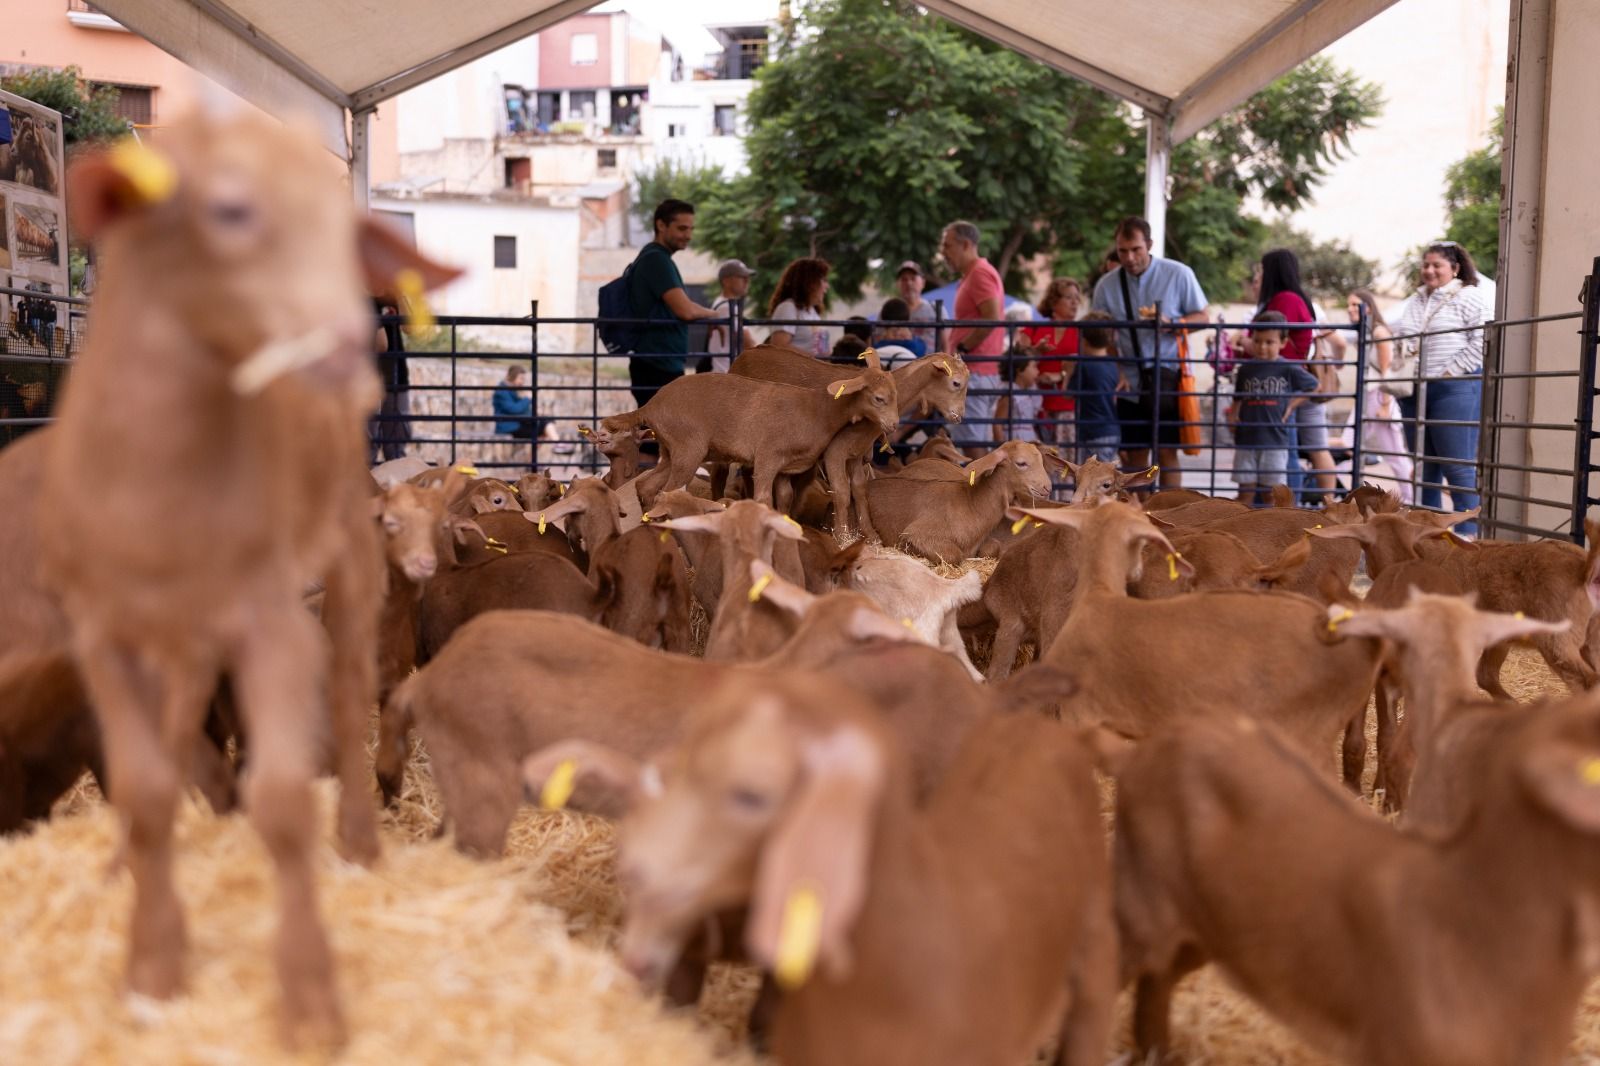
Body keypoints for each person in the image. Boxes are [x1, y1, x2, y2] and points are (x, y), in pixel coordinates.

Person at [1090, 217, 1208, 487]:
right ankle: (1139, 513)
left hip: (1167, 375)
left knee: (1167, 451)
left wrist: (1174, 325)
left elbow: (1203, 316)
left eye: (1136, 250)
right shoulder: (1107, 285)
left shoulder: (1179, 274)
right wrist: (1116, 368)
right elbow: (1100, 331)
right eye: (1123, 251)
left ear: (1149, 245)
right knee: (1135, 454)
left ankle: (1170, 515)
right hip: (1129, 379)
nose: (1130, 258)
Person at [1391, 241, 1486, 533]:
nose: (1429, 271)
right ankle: (1428, 531)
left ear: (1455, 268)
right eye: (1426, 265)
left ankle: (1468, 534)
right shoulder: (1416, 300)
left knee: (1456, 464)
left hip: (1453, 388)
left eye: (1437, 265)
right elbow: (1403, 336)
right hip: (1415, 389)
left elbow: (1484, 339)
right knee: (1424, 465)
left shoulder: (1470, 297)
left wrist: (1450, 370)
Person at [1258, 248, 1336, 502]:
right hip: (1298, 379)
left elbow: (1273, 338)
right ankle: (1322, 505)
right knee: (1310, 447)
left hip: (1287, 382)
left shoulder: (1285, 300)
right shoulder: (1300, 298)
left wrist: (1246, 342)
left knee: (1288, 450)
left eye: (1263, 269)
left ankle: (1290, 508)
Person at [627, 198, 719, 406]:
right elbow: (685, 310)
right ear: (661, 225)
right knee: (661, 436)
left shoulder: (656, 258)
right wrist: (717, 315)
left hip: (658, 362)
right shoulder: (656, 260)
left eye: (690, 229)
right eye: (682, 228)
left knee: (658, 435)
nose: (688, 235)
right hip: (657, 364)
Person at [1228, 311, 1320, 507]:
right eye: (1257, 341)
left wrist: (1291, 405)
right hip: (1246, 440)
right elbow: (1238, 397)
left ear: (1283, 343)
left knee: (1272, 496)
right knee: (1245, 493)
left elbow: (1314, 386)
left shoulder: (1287, 368)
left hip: (1275, 441)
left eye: (1269, 342)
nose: (1262, 347)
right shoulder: (1246, 369)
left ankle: (1270, 532)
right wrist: (1233, 415)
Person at [939, 220, 1008, 458]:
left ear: (966, 244)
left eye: (947, 246)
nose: (943, 252)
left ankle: (986, 494)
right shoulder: (974, 274)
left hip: (976, 371)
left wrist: (963, 349)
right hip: (977, 371)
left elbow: (992, 317)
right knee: (971, 443)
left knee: (973, 447)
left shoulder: (979, 274)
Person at [1348, 288, 1413, 504]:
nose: (1350, 310)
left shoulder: (1379, 332)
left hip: (1379, 396)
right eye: (1348, 305)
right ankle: (1351, 496)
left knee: (1395, 455)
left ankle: (1411, 499)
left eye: (1354, 304)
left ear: (1367, 307)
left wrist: (1385, 404)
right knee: (1350, 445)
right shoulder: (1365, 331)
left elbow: (1387, 371)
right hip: (1368, 395)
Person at [1020, 277, 1082, 447]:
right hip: (1035, 406)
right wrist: (1036, 351)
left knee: (1065, 463)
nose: (1075, 303)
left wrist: (1060, 375)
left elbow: (1086, 366)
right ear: (1054, 302)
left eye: (1077, 298)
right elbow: (1017, 360)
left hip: (1068, 406)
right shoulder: (1033, 328)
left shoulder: (1082, 331)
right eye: (1069, 297)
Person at [1072, 312, 1125, 463]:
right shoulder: (1113, 365)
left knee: (1093, 479)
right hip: (1112, 430)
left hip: (1091, 432)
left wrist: (1068, 372)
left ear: (1084, 341)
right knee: (1102, 477)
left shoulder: (1083, 365)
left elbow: (1068, 394)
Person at [369, 296, 412, 462]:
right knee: (369, 445)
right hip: (371, 377)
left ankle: (392, 485)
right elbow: (382, 345)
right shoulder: (361, 295)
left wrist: (401, 295)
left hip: (395, 375)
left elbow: (411, 328)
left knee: (394, 447)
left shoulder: (392, 295)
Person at [765, 257, 831, 356]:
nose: (827, 286)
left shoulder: (812, 312)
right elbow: (779, 347)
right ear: (809, 283)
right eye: (823, 280)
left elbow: (822, 349)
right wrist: (814, 360)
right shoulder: (788, 307)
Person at [704, 258, 757, 374]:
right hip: (725, 373)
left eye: (747, 278)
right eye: (742, 277)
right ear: (726, 281)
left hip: (724, 372)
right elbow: (748, 342)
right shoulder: (726, 307)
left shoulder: (723, 304)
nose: (747, 281)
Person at [994, 355, 1043, 442]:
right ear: (1020, 370)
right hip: (1014, 441)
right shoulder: (1009, 395)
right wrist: (1002, 447)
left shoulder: (1029, 393)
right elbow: (998, 424)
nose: (1038, 371)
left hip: (1029, 439)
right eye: (1034, 367)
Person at [493, 364, 545, 439]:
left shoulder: (513, 390)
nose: (522, 382)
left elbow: (523, 410)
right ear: (512, 376)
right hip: (508, 428)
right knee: (545, 425)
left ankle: (557, 443)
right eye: (521, 378)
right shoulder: (502, 392)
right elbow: (514, 409)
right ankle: (558, 443)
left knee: (545, 422)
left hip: (517, 425)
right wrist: (527, 398)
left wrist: (535, 412)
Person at [895, 260, 937, 349]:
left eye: (913, 278)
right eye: (904, 279)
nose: (909, 283)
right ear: (897, 284)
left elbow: (947, 345)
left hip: (932, 362)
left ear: (923, 283)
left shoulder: (936, 310)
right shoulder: (889, 311)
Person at [874, 298, 926, 366]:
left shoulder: (879, 346)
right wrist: (910, 340)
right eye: (894, 333)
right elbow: (921, 350)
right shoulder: (915, 344)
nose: (898, 334)